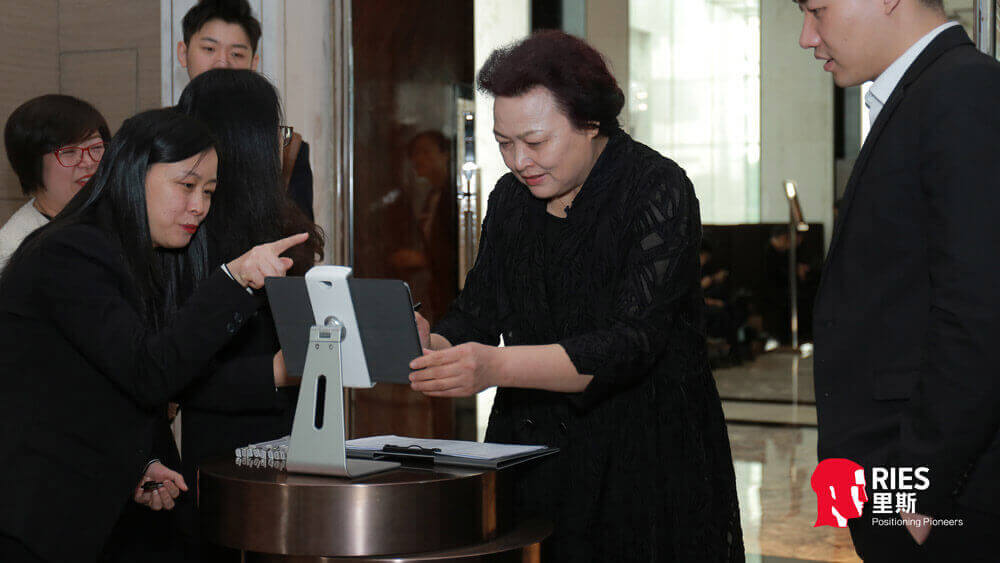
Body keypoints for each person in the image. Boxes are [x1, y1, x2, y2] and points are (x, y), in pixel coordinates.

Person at [408, 31, 743, 561]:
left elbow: (629, 343)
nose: (519, 161)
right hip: (535, 449)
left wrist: (496, 366)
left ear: (590, 123)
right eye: (504, 143)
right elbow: (479, 309)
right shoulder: (510, 199)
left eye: (536, 142)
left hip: (641, 456)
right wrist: (435, 345)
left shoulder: (656, 189)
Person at [0, 108, 307, 563]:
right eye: (186, 185)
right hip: (37, 514)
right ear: (133, 173)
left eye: (208, 191)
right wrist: (233, 279)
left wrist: (141, 461)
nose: (199, 206)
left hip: (91, 505)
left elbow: (109, 381)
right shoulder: (71, 251)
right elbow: (149, 372)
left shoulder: (130, 252)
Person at [797, 0, 1000, 560]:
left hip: (942, 492)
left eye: (817, 10)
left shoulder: (964, 91)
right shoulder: (923, 92)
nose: (807, 37)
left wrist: (918, 491)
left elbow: (980, 308)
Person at [171, 68, 324, 561]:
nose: (281, 145)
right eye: (275, 132)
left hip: (296, 443)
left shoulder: (281, 218)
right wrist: (276, 372)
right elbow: (175, 373)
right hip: (224, 461)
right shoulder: (185, 234)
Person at [176, 0, 314, 219]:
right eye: (209, 49)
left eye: (237, 54)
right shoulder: (154, 136)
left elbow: (300, 234)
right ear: (183, 53)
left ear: (253, 63)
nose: (222, 63)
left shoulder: (287, 147)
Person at [0, 94, 110, 270]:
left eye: (96, 147)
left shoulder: (118, 216)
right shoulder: (13, 250)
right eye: (69, 152)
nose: (88, 162)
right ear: (31, 164)